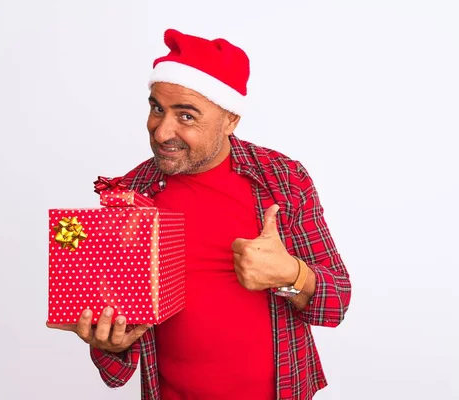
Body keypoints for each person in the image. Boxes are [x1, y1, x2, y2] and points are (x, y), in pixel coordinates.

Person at [47, 28, 351, 400]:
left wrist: (292, 273)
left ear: (230, 119)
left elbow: (337, 301)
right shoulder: (129, 194)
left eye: (186, 116)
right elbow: (116, 368)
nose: (161, 132)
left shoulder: (282, 178)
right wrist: (110, 343)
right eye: (157, 108)